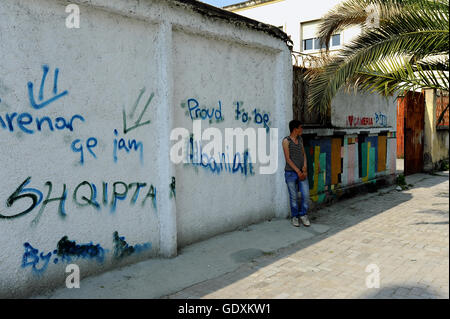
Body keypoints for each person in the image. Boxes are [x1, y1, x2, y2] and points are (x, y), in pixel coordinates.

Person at [282, 120, 311, 227]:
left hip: (301, 173)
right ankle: (295, 217)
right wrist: (298, 171)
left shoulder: (300, 139)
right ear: (295, 129)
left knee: (306, 194)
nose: (302, 129)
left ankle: (303, 215)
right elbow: (288, 159)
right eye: (300, 127)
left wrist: (305, 167)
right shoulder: (286, 141)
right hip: (291, 173)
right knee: (293, 196)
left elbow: (304, 154)